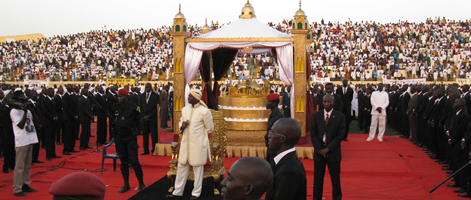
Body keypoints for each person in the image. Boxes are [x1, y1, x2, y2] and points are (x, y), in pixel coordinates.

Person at [166, 89, 214, 200]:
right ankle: (177, 191)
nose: (188, 98)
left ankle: (196, 193)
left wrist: (199, 136)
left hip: (198, 144)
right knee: (181, 167)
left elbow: (210, 128)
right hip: (185, 144)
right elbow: (180, 126)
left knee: (198, 168)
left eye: (191, 96)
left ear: (197, 98)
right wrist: (182, 125)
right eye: (188, 96)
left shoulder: (204, 111)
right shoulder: (185, 110)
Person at [310, 94, 345, 200]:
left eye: (329, 102)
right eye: (325, 101)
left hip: (333, 153)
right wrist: (319, 149)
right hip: (319, 153)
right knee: (318, 180)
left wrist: (328, 149)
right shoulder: (316, 115)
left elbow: (340, 135)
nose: (326, 104)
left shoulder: (340, 116)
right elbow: (313, 133)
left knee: (335, 180)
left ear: (333, 103)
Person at [112, 88, 145, 193]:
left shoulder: (134, 108)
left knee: (134, 161)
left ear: (126, 97)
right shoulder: (115, 107)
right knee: (123, 162)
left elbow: (139, 120)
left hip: (130, 137)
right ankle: (126, 184)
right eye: (118, 97)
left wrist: (136, 131)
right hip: (120, 137)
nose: (120, 98)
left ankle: (141, 183)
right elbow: (113, 121)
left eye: (122, 97)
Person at [265, 118, 307, 200]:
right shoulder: (283, 161)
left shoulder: (288, 170)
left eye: (272, 132)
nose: (268, 136)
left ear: (282, 139)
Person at [10, 90, 40, 197]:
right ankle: (17, 188)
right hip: (21, 141)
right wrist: (25, 111)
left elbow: (35, 122)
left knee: (27, 165)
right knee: (19, 166)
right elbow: (21, 125)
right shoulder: (14, 111)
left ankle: (25, 184)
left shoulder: (26, 110)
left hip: (30, 139)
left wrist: (32, 110)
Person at [446, 98, 469, 195]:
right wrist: (449, 133)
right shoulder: (457, 113)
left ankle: (463, 185)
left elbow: (460, 131)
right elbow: (454, 127)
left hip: (459, 142)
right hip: (455, 141)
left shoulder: (464, 115)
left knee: (461, 163)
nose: (454, 103)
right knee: (456, 161)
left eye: (456, 102)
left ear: (462, 104)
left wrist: (453, 138)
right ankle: (457, 180)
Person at [40, 88, 61, 161]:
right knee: (48, 139)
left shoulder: (53, 100)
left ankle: (53, 153)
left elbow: (54, 110)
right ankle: (48, 155)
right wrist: (52, 117)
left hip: (53, 122)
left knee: (52, 138)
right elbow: (45, 112)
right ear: (48, 92)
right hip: (47, 122)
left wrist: (55, 117)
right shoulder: (44, 100)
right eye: (52, 92)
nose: (53, 93)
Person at [139, 83, 159, 155]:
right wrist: (144, 116)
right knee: (145, 135)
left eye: (148, 88)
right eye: (146, 88)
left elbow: (156, 108)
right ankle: (146, 150)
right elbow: (140, 107)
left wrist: (150, 116)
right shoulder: (142, 96)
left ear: (151, 88)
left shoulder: (156, 96)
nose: (147, 89)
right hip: (144, 119)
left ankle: (154, 149)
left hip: (152, 119)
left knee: (154, 135)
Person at [264, 93, 284, 162]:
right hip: (270, 147)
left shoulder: (279, 117)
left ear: (274, 103)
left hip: (275, 150)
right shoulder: (272, 115)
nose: (266, 103)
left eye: (268, 102)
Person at [62, 84, 79, 155]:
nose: (72, 88)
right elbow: (66, 108)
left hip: (73, 117)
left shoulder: (73, 96)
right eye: (70, 87)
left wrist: (76, 114)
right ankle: (66, 148)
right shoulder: (65, 96)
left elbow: (76, 106)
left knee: (73, 133)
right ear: (67, 88)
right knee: (68, 134)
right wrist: (73, 115)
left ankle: (72, 147)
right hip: (68, 118)